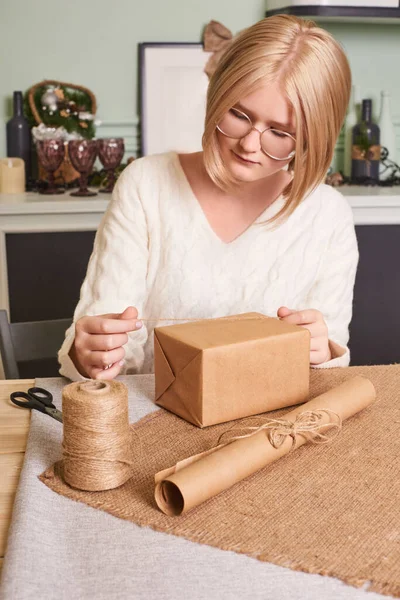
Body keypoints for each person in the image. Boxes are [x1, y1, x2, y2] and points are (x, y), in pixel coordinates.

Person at [58, 14, 358, 382]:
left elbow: (328, 363)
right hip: (153, 421)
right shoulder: (146, 184)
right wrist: (90, 352)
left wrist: (321, 351)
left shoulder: (328, 215)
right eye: (238, 114)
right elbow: (104, 342)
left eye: (279, 132)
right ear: (216, 96)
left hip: (268, 427)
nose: (249, 144)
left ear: (314, 137)